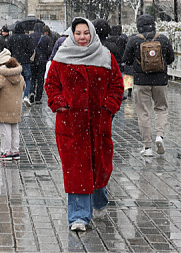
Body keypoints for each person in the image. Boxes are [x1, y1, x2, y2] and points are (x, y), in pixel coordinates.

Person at [45, 18, 123, 232]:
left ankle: (99, 196)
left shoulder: (106, 57)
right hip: (72, 125)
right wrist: (60, 104)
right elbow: (51, 85)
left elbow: (117, 85)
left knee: (100, 168)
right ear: (72, 34)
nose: (82, 37)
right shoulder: (62, 58)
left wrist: (108, 108)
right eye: (78, 33)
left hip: (99, 123)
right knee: (77, 171)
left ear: (92, 34)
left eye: (86, 33)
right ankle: (79, 216)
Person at [122, 14, 175, 157]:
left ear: (139, 26)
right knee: (161, 109)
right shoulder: (163, 39)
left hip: (141, 81)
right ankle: (159, 136)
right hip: (160, 81)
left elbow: (126, 59)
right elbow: (170, 59)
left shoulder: (134, 40)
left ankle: (147, 147)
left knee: (143, 113)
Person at [8, 21, 35, 106]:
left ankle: (17, 97)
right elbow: (31, 49)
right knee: (27, 79)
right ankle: (26, 96)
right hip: (25, 61)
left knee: (16, 79)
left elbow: (9, 50)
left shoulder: (11, 38)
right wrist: (27, 56)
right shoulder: (27, 38)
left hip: (15, 62)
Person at [31, 25, 52, 103]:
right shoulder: (46, 38)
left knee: (33, 77)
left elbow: (28, 48)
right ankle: (38, 98)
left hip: (33, 61)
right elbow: (50, 50)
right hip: (42, 61)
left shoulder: (30, 37)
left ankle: (32, 91)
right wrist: (45, 57)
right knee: (40, 79)